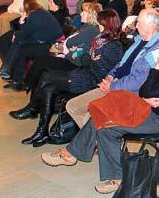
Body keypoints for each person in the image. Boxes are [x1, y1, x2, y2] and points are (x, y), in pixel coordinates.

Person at [41, 61, 159, 195]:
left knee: (105, 124)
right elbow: (145, 91)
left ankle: (71, 154)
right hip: (147, 110)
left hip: (155, 118)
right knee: (103, 121)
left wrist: (156, 70)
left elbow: (149, 92)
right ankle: (116, 177)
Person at [11, 9, 123, 147]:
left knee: (46, 75)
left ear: (107, 25)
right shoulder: (100, 39)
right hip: (83, 73)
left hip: (92, 81)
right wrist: (90, 58)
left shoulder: (114, 46)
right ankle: (42, 131)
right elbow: (85, 58)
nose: (98, 26)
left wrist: (90, 59)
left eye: (101, 23)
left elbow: (102, 71)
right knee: (48, 88)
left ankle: (33, 108)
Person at [65, 8, 159, 129]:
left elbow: (137, 80)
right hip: (114, 83)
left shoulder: (155, 50)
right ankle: (95, 139)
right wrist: (110, 76)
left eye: (139, 22)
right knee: (73, 106)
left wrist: (112, 87)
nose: (136, 26)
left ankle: (95, 138)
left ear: (151, 25)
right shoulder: (139, 40)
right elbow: (121, 63)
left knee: (94, 114)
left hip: (129, 92)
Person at [14, 2, 102, 97]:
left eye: (84, 12)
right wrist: (65, 49)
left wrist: (66, 53)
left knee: (41, 61)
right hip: (69, 56)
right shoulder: (86, 27)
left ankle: (27, 85)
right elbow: (74, 45)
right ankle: (29, 85)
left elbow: (81, 49)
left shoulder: (91, 30)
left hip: (74, 63)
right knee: (40, 59)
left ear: (91, 15)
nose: (80, 14)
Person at [0, 0, 63, 90]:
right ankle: (11, 74)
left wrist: (20, 25)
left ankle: (11, 74)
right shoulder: (40, 12)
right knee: (18, 43)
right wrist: (19, 29)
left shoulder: (34, 16)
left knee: (20, 46)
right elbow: (28, 31)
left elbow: (25, 32)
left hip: (49, 43)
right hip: (44, 38)